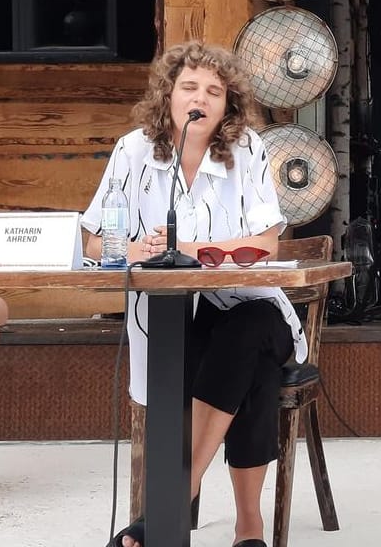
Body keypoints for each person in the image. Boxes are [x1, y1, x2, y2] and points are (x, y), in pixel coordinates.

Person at [83, 41, 298, 547]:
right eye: (189, 87)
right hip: (173, 319)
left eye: (214, 91)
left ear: (227, 106)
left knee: (250, 330)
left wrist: (194, 248)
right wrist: (135, 248)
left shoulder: (246, 150)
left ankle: (168, 506)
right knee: (250, 366)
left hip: (252, 303)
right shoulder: (133, 150)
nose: (199, 98)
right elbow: (93, 236)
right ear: (168, 96)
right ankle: (250, 530)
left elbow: (266, 243)